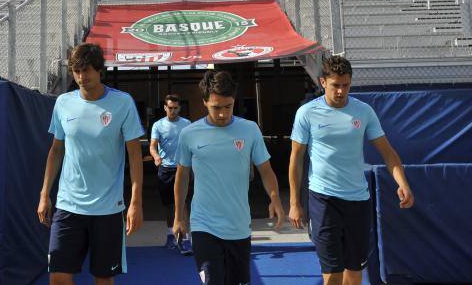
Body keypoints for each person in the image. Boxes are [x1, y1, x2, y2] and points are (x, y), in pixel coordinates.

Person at [288, 56, 415, 285]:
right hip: (323, 200)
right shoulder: (306, 113)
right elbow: (296, 159)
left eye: (346, 85)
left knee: (353, 276)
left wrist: (402, 183)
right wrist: (295, 203)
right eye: (336, 85)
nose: (341, 91)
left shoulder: (363, 111)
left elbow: (388, 152)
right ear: (323, 82)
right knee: (332, 275)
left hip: (357, 201)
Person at [37, 43, 145, 285]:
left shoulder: (123, 103)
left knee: (103, 279)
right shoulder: (63, 102)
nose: (81, 77)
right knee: (58, 278)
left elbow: (135, 156)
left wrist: (135, 203)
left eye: (86, 70)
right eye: (76, 71)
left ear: (99, 71)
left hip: (107, 209)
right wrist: (45, 194)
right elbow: (56, 150)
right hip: (68, 206)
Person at [173, 70, 285, 285]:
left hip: (239, 226)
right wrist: (179, 216)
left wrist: (276, 199)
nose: (223, 114)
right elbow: (182, 176)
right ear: (205, 101)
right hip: (203, 225)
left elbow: (266, 170)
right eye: (216, 107)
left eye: (228, 106)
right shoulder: (189, 134)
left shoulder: (250, 130)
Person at [149, 93, 192, 254]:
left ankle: (186, 239)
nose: (173, 111)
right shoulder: (158, 125)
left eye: (175, 108)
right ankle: (170, 235)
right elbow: (153, 146)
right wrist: (156, 156)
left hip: (183, 169)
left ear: (179, 108)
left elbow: (193, 145)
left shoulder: (187, 124)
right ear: (165, 108)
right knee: (168, 205)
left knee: (183, 204)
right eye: (170, 108)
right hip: (165, 170)